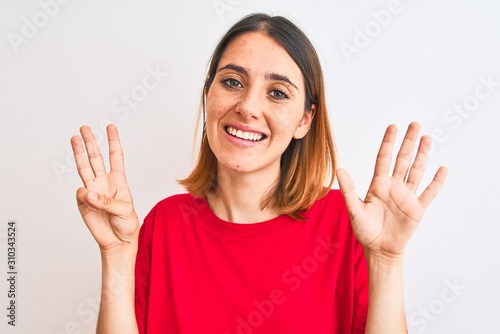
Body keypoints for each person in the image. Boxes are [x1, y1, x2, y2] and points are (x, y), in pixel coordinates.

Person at [70, 13, 447, 334]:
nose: (248, 107)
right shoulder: (164, 225)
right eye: (232, 82)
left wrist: (385, 262)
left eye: (278, 93)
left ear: (304, 119)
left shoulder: (348, 225)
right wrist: (117, 255)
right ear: (208, 95)